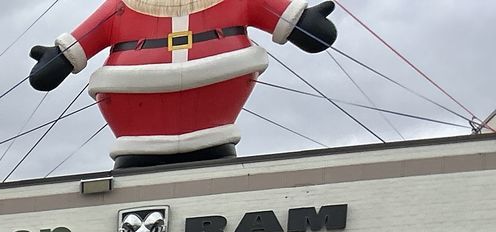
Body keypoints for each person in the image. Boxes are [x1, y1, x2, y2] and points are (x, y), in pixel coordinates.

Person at [29, 0, 339, 169]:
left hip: (213, 125)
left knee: (213, 183)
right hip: (135, 129)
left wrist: (303, 22)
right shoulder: (121, 8)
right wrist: (57, 58)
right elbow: (78, 44)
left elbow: (300, 28)